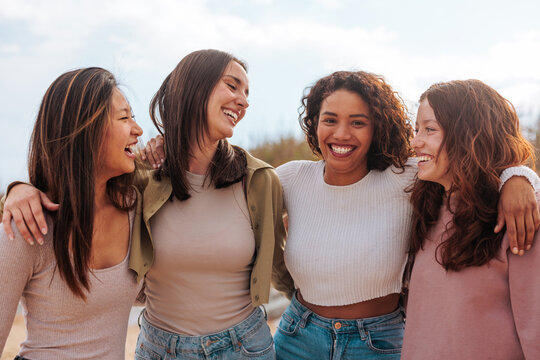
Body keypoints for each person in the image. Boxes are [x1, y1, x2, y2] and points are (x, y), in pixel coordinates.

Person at [1, 49, 293, 360]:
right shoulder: (143, 183)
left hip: (243, 346)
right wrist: (18, 190)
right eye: (232, 86)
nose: (244, 101)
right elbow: (74, 184)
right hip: (160, 348)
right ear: (194, 88)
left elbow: (281, 266)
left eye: (247, 93)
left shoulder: (258, 181)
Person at [271, 71, 540, 359]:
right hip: (298, 336)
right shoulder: (290, 179)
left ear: (377, 129)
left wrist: (518, 177)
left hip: (378, 342)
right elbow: (241, 202)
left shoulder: (410, 177)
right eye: (330, 119)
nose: (341, 133)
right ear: (314, 124)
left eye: (358, 122)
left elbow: (481, 163)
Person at [0, 67, 144, 359]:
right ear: (86, 130)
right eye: (124, 117)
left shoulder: (136, 208)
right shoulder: (29, 227)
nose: (137, 129)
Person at [402, 79, 540, 359]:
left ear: (469, 135)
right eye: (417, 130)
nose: (415, 142)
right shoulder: (425, 207)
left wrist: (518, 176)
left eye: (430, 129)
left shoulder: (518, 215)